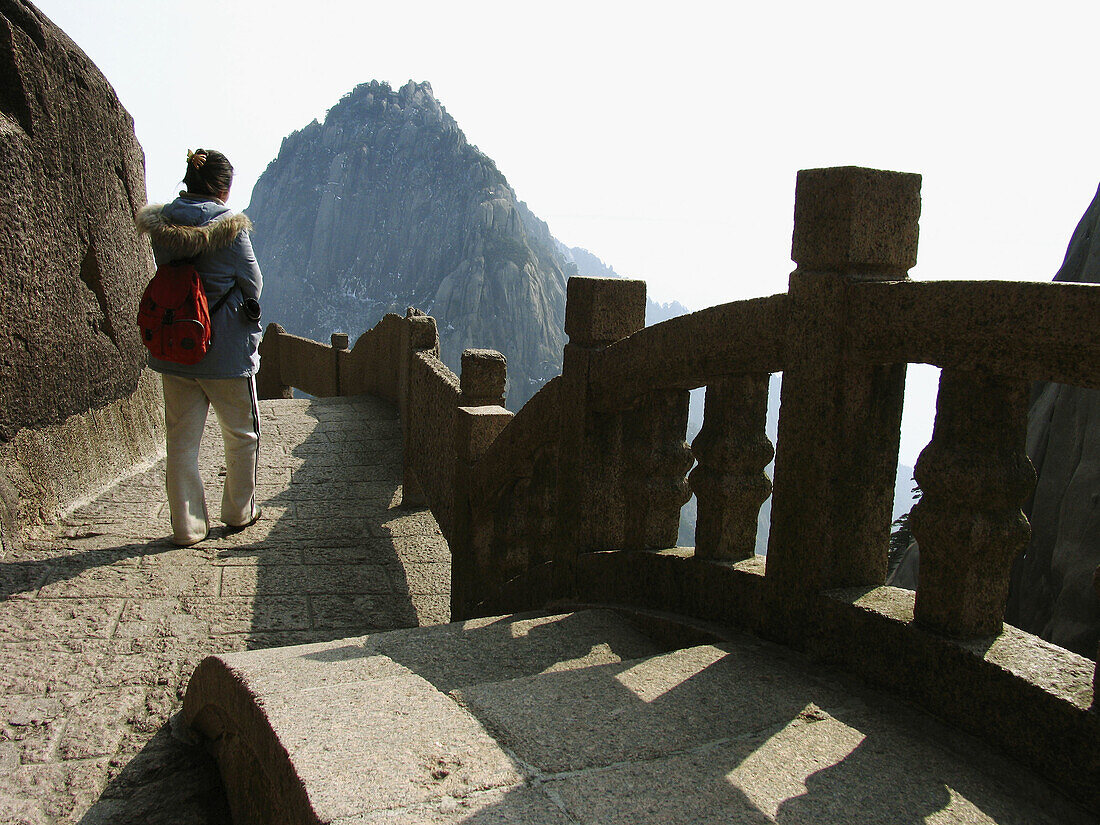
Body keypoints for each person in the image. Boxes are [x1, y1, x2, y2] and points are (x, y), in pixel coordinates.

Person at [136, 149, 263, 546]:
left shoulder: (163, 226)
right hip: (225, 355)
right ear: (223, 186)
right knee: (242, 435)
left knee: (181, 442)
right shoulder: (231, 228)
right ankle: (239, 512)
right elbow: (253, 283)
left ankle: (187, 527)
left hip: (176, 349)